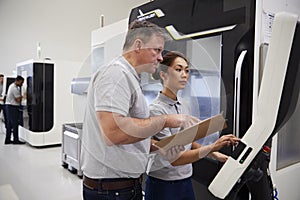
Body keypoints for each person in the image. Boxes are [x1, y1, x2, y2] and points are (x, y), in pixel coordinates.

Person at [80, 20, 199, 200]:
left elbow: (132, 134)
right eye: (157, 50)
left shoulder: (129, 77)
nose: (160, 58)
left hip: (122, 187)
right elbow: (114, 132)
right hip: (111, 191)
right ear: (138, 45)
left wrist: (158, 147)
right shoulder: (116, 75)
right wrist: (166, 121)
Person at [145, 51, 239, 200]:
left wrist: (214, 154)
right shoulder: (156, 110)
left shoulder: (183, 105)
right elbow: (174, 158)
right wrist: (212, 147)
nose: (184, 74)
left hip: (185, 180)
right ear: (163, 75)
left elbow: (187, 140)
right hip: (163, 184)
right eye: (178, 69)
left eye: (187, 70)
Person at [4, 75, 25, 145]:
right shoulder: (14, 88)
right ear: (18, 81)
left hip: (9, 106)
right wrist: (24, 96)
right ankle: (16, 140)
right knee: (15, 123)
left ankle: (7, 139)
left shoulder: (12, 86)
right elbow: (18, 100)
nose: (22, 84)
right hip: (12, 107)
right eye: (21, 82)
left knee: (9, 124)